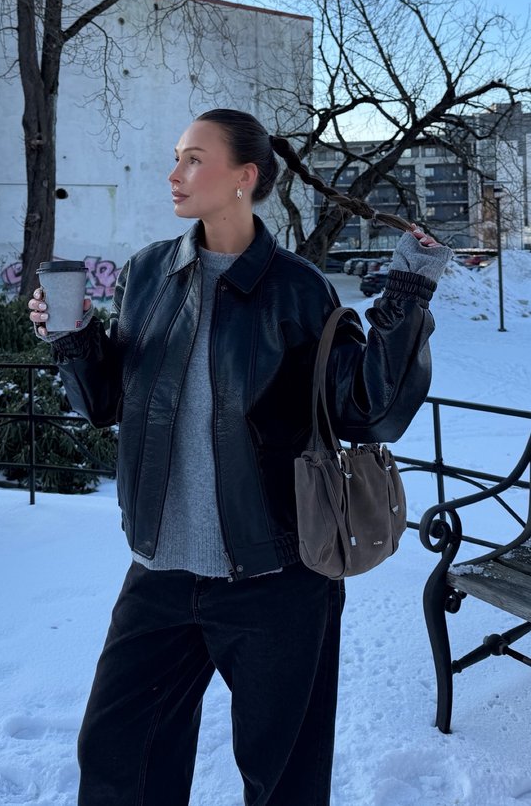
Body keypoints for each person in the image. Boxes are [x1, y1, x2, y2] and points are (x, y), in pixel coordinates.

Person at [29, 109, 451, 806]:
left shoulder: (298, 288)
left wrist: (407, 294)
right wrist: (71, 338)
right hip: (160, 572)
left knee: (283, 779)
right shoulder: (146, 275)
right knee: (118, 760)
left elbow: (369, 410)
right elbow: (104, 403)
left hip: (277, 577)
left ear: (244, 177)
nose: (174, 173)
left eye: (194, 158)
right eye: (176, 156)